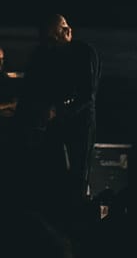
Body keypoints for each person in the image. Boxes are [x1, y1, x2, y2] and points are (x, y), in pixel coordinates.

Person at [16, 13, 101, 186]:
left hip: (79, 125)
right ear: (52, 34)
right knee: (55, 175)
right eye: (62, 27)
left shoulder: (84, 53)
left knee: (77, 176)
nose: (68, 29)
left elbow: (87, 95)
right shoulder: (45, 55)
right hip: (56, 125)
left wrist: (57, 110)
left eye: (66, 25)